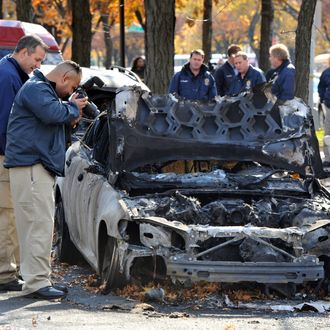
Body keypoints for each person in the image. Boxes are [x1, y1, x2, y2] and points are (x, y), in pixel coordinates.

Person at [4, 60, 88, 299]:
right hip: (32, 166)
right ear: (63, 78)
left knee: (35, 225)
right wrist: (71, 108)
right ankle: (37, 283)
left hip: (33, 166)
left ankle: (36, 279)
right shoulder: (36, 88)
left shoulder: (40, 89)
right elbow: (52, 113)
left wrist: (69, 115)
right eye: (72, 87)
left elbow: (52, 119)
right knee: (37, 225)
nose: (71, 92)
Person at [0, 35, 48, 293]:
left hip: (7, 154)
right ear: (25, 52)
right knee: (7, 217)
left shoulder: (9, 71)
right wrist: (16, 154)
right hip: (5, 156)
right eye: (37, 59)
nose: (38, 65)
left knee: (9, 215)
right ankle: (5, 275)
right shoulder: (8, 77)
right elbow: (8, 124)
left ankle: (9, 271)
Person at [318, 66, 330, 165]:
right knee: (328, 132)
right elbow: (321, 86)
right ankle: (327, 159)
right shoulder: (326, 72)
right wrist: (323, 98)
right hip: (329, 106)